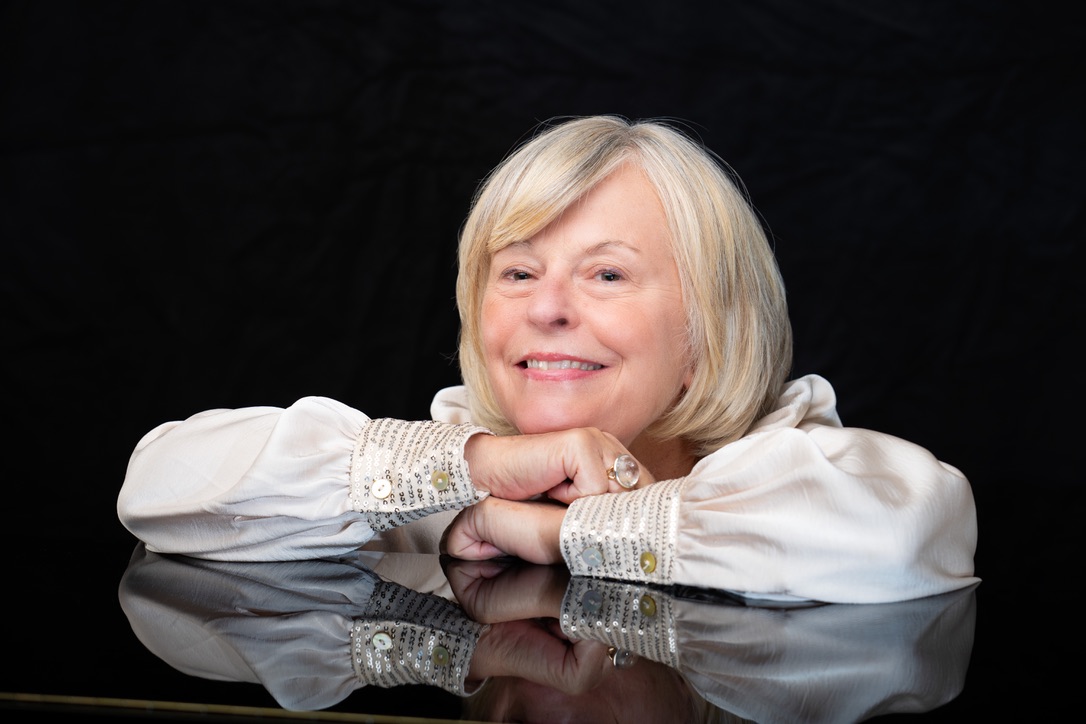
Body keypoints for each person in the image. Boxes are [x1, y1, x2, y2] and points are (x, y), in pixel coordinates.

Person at [117, 114, 979, 603]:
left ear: (707, 330)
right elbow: (159, 492)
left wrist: (557, 532)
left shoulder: (804, 478)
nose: (546, 309)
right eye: (519, 272)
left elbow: (900, 540)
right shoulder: (428, 479)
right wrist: (481, 468)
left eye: (607, 273)